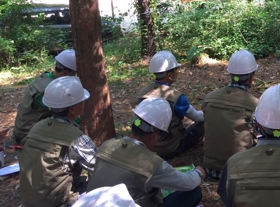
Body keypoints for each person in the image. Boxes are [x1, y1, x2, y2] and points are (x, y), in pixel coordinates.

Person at [87, 98, 206, 207]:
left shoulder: (107, 145)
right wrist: (199, 172)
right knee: (193, 193)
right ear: (154, 136)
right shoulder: (152, 164)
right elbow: (188, 183)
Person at [19, 76, 96, 207]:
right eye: (82, 101)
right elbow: (98, 167)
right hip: (58, 202)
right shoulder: (76, 139)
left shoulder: (37, 127)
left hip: (29, 200)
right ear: (72, 109)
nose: (84, 103)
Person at [136, 50, 204, 159]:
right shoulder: (176, 97)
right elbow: (197, 118)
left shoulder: (142, 93)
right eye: (176, 69)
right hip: (168, 147)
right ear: (169, 74)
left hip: (146, 145)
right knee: (203, 123)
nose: (178, 72)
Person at [203, 49, 259, 180]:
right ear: (251, 78)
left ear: (231, 75)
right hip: (239, 170)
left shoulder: (209, 98)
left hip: (209, 168)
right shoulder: (255, 105)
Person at [8, 49, 77, 146]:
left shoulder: (46, 77)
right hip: (26, 136)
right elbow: (68, 114)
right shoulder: (50, 90)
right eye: (74, 74)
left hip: (25, 129)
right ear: (65, 72)